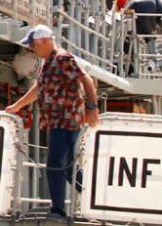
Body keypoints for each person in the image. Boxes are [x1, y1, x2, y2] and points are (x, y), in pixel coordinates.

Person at [6, 24, 99, 222]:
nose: (31, 49)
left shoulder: (62, 58)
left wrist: (92, 108)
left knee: (55, 164)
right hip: (56, 121)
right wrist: (16, 106)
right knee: (66, 167)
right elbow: (39, 88)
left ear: (45, 41)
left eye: (33, 45)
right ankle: (95, 193)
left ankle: (58, 210)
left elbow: (87, 80)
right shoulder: (47, 62)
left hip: (66, 121)